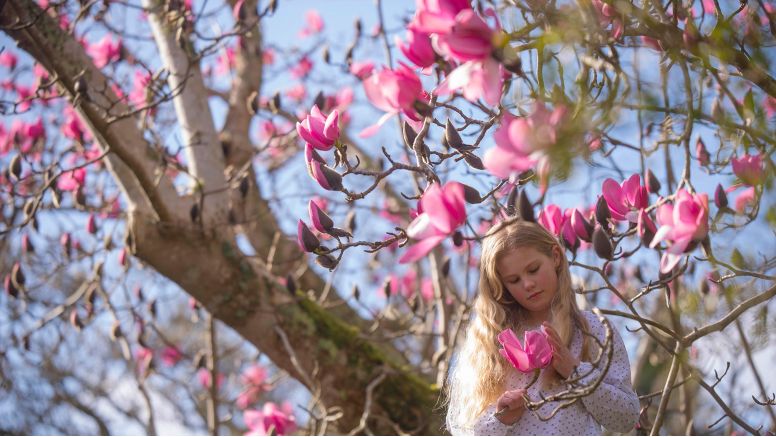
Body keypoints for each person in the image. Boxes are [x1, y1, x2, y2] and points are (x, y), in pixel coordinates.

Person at [444, 219, 640, 435]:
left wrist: (575, 372)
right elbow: (464, 429)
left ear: (555, 256)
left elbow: (626, 417)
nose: (527, 284)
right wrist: (501, 419)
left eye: (533, 269)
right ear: (502, 285)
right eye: (514, 279)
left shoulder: (592, 329)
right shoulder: (491, 341)